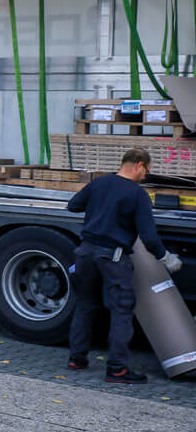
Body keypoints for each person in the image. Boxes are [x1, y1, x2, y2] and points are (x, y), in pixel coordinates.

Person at [66, 147, 183, 384]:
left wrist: (101, 210)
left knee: (85, 305)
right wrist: (167, 259)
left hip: (86, 252)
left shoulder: (99, 183)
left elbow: (73, 205)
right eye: (147, 172)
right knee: (121, 311)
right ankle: (117, 369)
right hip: (113, 257)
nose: (145, 177)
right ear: (139, 165)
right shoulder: (137, 194)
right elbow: (149, 237)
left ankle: (77, 359)